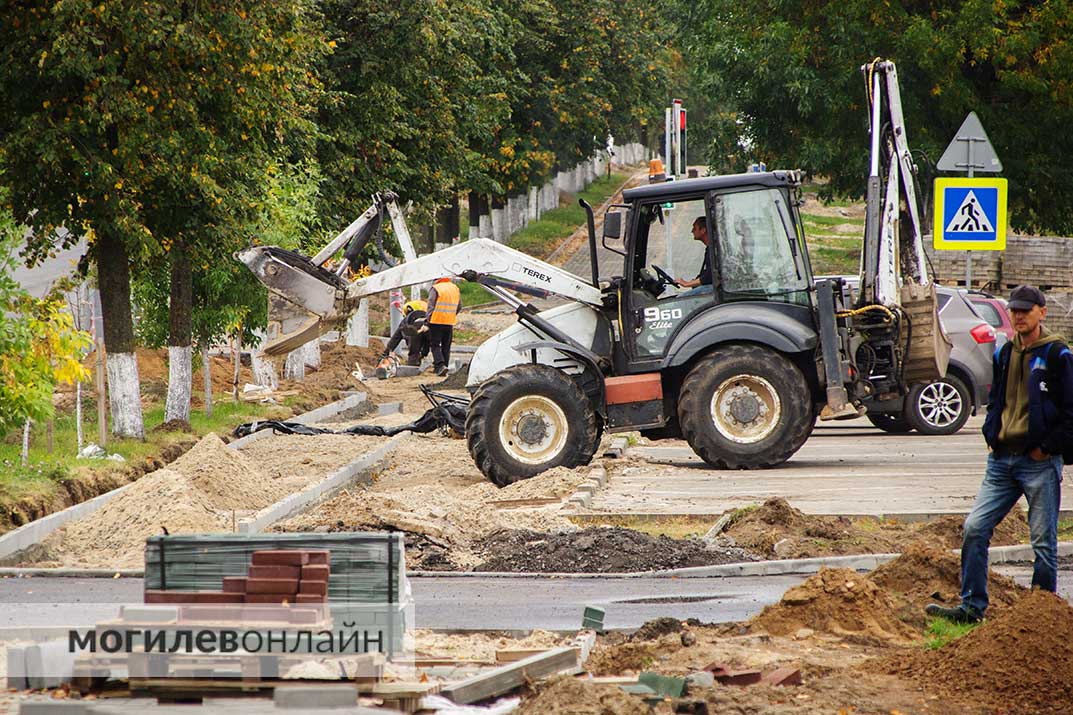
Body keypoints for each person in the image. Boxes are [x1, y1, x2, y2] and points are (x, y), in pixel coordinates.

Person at [926, 285, 1073, 624]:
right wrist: (992, 433)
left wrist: (1047, 448)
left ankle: (1041, 619)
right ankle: (971, 608)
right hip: (1002, 461)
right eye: (1014, 310)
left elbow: (1071, 412)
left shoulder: (1056, 354)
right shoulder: (1004, 353)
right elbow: (997, 400)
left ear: (1042, 312)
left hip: (1039, 462)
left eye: (1026, 310)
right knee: (975, 528)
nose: (1019, 316)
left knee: (1043, 541)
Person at [377, 300, 429, 373]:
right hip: (428, 325)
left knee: (413, 351)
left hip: (416, 327)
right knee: (434, 345)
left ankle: (412, 369)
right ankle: (438, 366)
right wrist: (424, 353)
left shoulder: (405, 323)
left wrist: (386, 352)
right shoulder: (424, 316)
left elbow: (395, 339)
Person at [426, 277, 461, 376]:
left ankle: (440, 366)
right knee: (446, 345)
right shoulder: (455, 288)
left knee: (435, 345)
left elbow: (431, 304)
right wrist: (451, 315)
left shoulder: (436, 288)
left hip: (436, 320)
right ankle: (444, 366)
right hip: (449, 321)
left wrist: (428, 319)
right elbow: (459, 305)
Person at [677, 216, 713, 289]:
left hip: (711, 289)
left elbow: (709, 276)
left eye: (694, 228)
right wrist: (695, 282)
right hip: (709, 288)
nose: (692, 231)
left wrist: (687, 283)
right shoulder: (710, 249)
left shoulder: (713, 251)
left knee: (679, 299)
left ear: (703, 230)